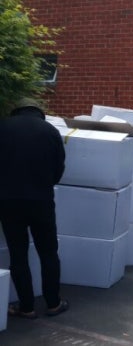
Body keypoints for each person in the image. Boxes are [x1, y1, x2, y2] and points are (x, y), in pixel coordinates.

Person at [0, 98, 68, 319]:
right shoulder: (50, 131)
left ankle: (26, 307)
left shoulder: (3, 128)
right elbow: (59, 168)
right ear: (38, 112)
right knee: (48, 252)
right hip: (41, 200)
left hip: (9, 202)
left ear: (16, 111)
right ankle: (53, 303)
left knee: (18, 254)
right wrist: (44, 184)